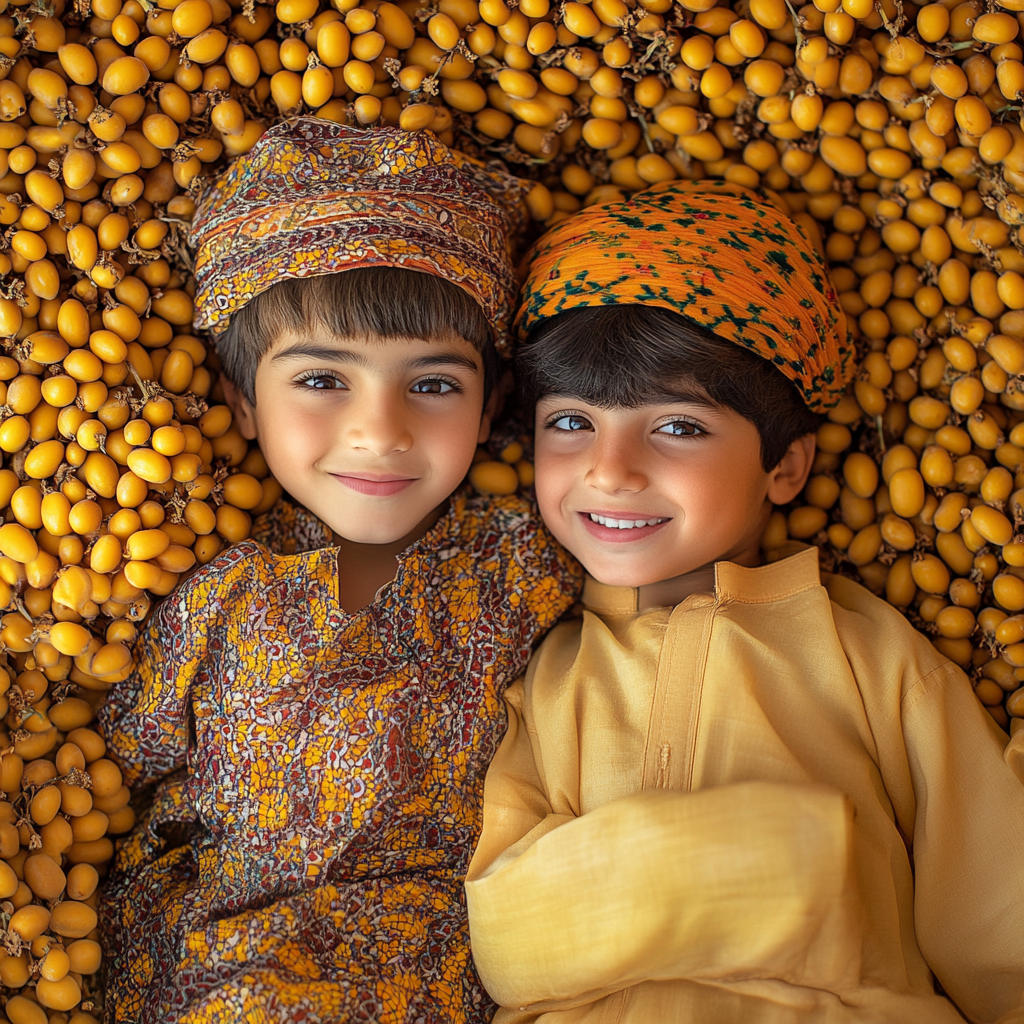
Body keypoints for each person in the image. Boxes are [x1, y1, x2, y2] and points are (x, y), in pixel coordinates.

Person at [465, 180, 1024, 1024]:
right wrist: (774, 857)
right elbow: (506, 937)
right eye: (571, 422)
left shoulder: (871, 656)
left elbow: (997, 918)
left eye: (679, 427)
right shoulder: (543, 670)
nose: (610, 469)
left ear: (786, 468)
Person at [97, 119, 581, 1024]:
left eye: (433, 385)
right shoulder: (216, 598)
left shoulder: (534, 573)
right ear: (243, 403)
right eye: (321, 380)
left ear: (492, 409)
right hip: (217, 962)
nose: (381, 430)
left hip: (459, 968)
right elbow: (121, 761)